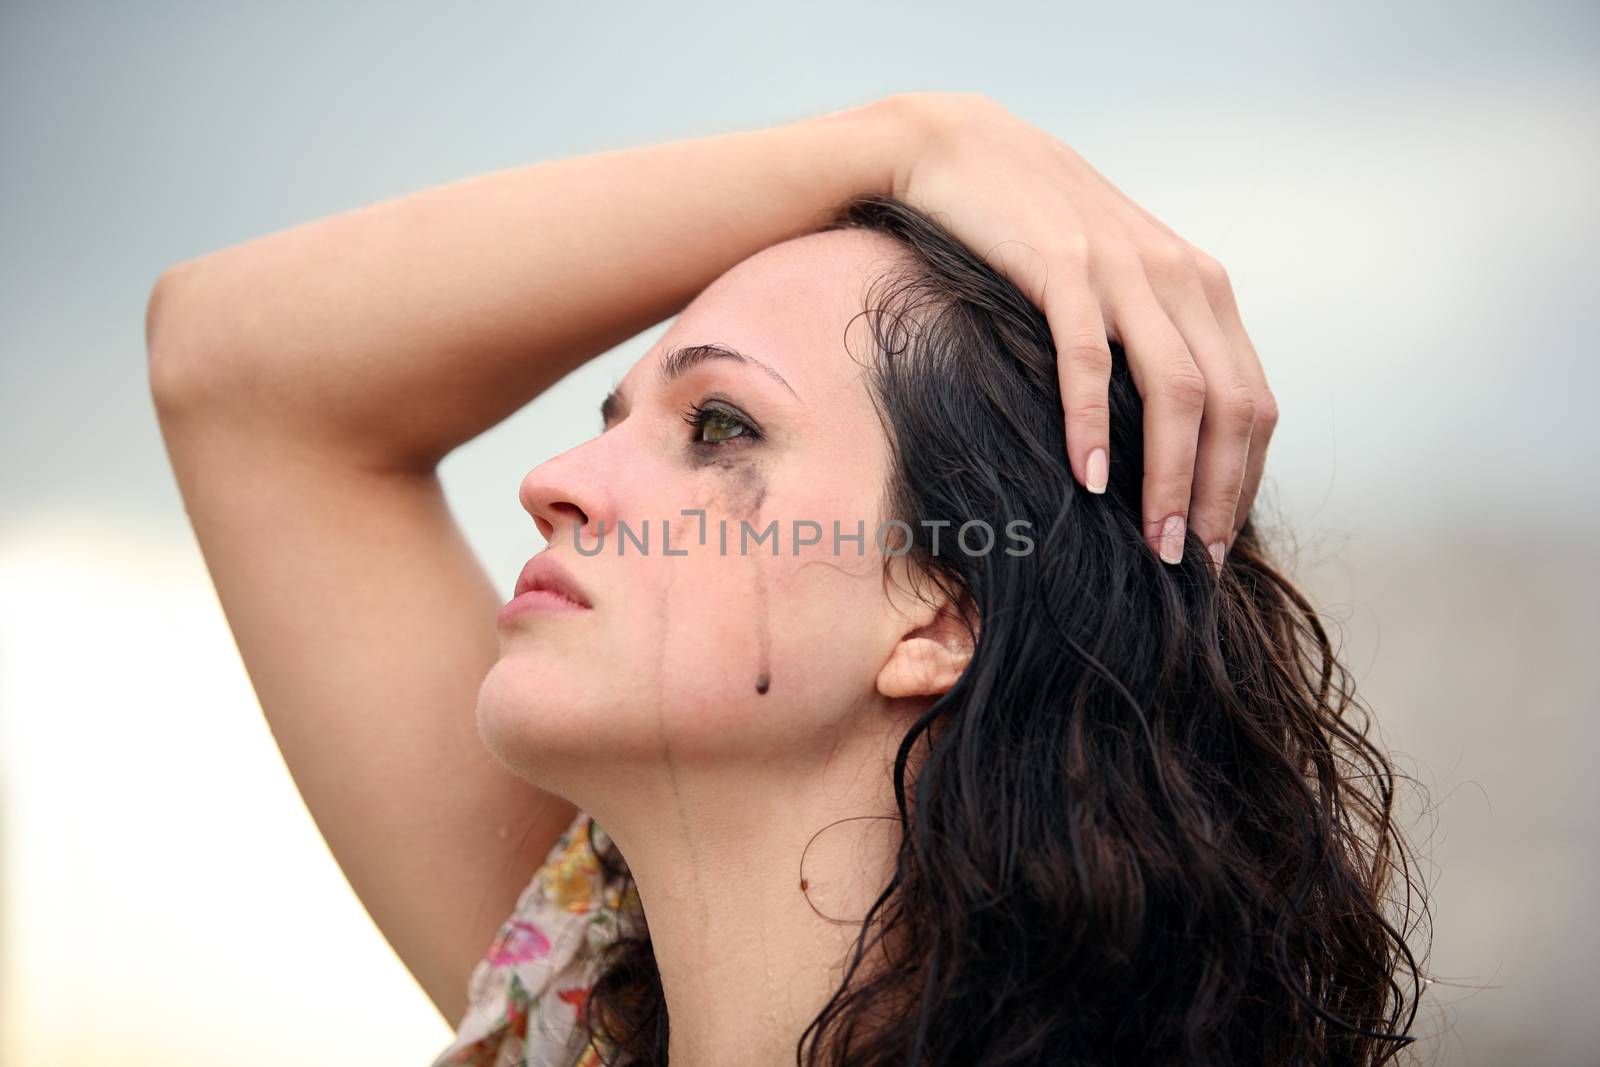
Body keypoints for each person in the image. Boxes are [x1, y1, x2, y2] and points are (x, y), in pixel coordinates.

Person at [146, 93, 1426, 1065]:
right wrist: (910, 139)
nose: (552, 476)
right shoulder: (586, 1003)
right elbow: (231, 365)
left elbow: (241, 382)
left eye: (716, 425)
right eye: (612, 413)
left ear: (943, 606)